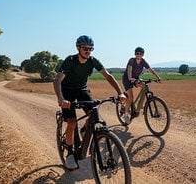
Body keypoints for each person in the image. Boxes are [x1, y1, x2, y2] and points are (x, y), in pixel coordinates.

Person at [53, 35, 126, 170]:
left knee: (94, 112)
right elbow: (57, 80)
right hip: (67, 91)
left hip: (82, 90)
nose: (88, 51)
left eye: (90, 49)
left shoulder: (92, 61)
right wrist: (61, 98)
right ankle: (70, 153)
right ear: (78, 48)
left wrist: (120, 92)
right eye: (85, 48)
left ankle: (85, 130)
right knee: (72, 122)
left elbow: (108, 76)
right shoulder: (70, 60)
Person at [122, 46, 161, 124]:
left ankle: (138, 108)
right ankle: (126, 114)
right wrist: (130, 78)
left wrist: (158, 77)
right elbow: (129, 69)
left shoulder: (143, 61)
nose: (139, 55)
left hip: (136, 79)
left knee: (145, 87)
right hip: (127, 79)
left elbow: (150, 69)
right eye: (137, 53)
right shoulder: (132, 60)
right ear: (135, 54)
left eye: (141, 53)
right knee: (131, 97)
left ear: (143, 54)